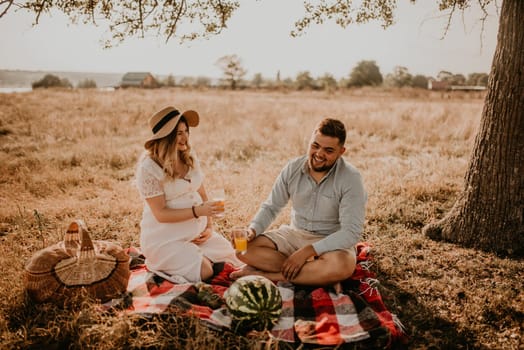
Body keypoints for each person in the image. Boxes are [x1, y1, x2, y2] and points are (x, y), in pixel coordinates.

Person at [231, 118, 367, 288]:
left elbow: (350, 232)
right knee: (243, 248)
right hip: (295, 235)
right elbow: (272, 207)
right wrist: (252, 230)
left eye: (329, 150)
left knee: (342, 266)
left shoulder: (351, 178)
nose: (319, 154)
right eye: (315, 146)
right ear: (310, 141)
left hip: (330, 242)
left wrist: (309, 251)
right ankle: (317, 275)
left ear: (341, 151)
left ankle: (265, 275)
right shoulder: (292, 168)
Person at [135, 106, 242, 284]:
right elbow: (161, 213)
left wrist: (209, 227)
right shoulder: (148, 168)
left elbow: (201, 191)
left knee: (237, 257)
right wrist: (197, 212)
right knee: (205, 271)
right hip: (165, 240)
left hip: (196, 235)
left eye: (186, 132)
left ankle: (199, 256)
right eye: (178, 133)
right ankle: (187, 260)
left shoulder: (188, 156)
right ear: (165, 137)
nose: (185, 138)